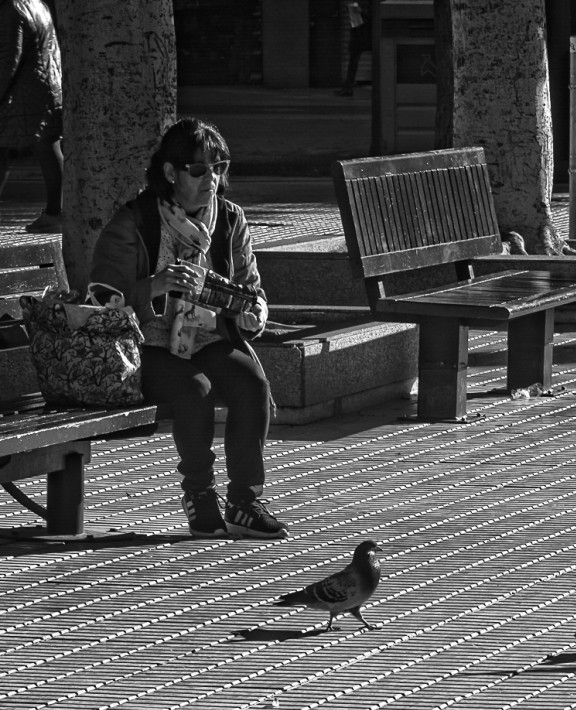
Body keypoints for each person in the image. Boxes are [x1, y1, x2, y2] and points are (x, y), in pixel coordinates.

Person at [90, 117, 289, 539]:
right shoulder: (135, 221)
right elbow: (102, 300)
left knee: (252, 384)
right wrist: (156, 286)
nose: (211, 180)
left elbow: (253, 291)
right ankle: (199, 494)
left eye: (219, 168)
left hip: (211, 334)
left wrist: (250, 313)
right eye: (199, 170)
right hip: (148, 345)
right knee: (192, 389)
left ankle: (244, 501)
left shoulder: (230, 220)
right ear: (170, 172)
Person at [0, 0, 63, 233]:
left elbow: (8, 58)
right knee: (48, 148)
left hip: (24, 92)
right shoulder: (38, 4)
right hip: (46, 86)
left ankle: (56, 214)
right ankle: (56, 213)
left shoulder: (11, 10)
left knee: (3, 151)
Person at [333, 0, 370, 97]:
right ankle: (347, 88)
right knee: (352, 63)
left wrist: (362, 11)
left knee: (353, 63)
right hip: (359, 35)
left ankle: (347, 88)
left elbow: (372, 16)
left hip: (363, 36)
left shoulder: (371, 5)